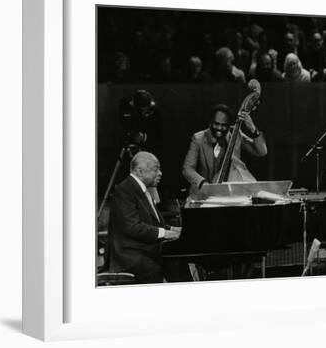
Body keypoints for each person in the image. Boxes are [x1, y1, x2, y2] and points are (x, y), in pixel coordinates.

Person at [107, 152, 182, 283]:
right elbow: (132, 227)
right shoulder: (125, 190)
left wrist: (175, 230)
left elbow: (154, 223)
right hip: (130, 255)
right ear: (140, 171)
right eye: (155, 169)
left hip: (145, 250)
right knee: (166, 266)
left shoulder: (142, 189)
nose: (160, 173)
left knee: (178, 262)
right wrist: (166, 233)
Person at [182, 104, 267, 196]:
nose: (219, 128)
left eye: (224, 125)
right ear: (210, 122)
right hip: (203, 194)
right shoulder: (198, 138)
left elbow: (262, 152)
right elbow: (187, 169)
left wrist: (253, 129)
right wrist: (203, 183)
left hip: (229, 194)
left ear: (229, 125)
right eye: (216, 124)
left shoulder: (235, 135)